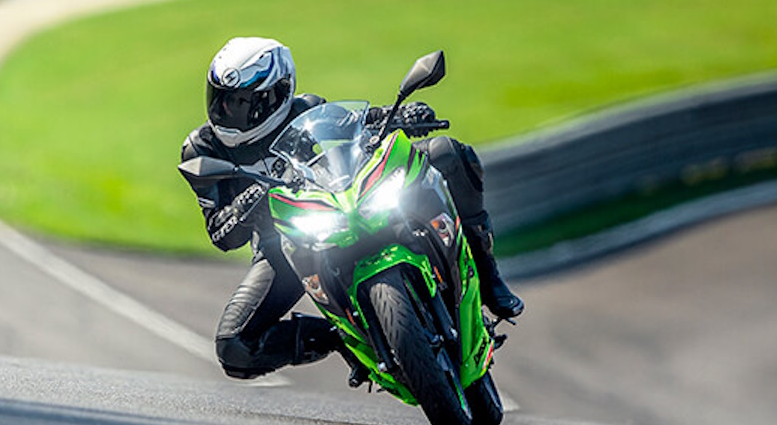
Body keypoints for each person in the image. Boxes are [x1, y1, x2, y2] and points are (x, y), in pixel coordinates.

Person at [179, 36, 524, 381]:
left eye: (241, 102)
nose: (228, 111)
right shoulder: (202, 149)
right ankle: (344, 337)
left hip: (342, 202)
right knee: (234, 346)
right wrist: (242, 206)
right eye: (222, 99)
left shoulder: (305, 110)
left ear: (278, 94)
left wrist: (399, 115)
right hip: (284, 243)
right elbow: (222, 236)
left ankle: (488, 274)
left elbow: (359, 122)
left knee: (447, 152)